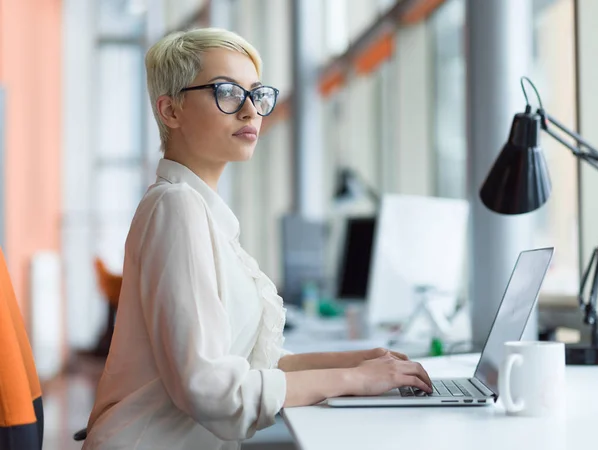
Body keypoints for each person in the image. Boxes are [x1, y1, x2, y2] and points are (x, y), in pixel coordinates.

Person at [82, 28, 432, 450]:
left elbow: (252, 364)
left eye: (256, 94)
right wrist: (352, 379)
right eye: (227, 92)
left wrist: (360, 361)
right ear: (170, 110)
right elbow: (210, 388)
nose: (250, 111)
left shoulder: (200, 211)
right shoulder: (176, 208)